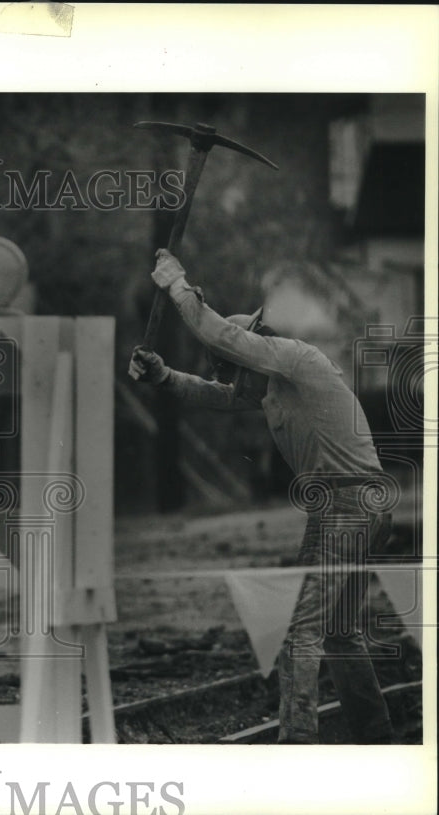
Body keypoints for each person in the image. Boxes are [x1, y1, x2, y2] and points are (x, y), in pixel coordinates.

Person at [129, 248, 394, 744]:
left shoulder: (293, 358)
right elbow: (216, 395)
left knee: (301, 636)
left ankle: (295, 747)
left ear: (251, 349)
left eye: (233, 367)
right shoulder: (274, 386)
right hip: (358, 503)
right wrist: (164, 377)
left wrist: (178, 286)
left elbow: (222, 336)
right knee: (337, 633)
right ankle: (378, 740)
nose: (232, 381)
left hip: (345, 503)